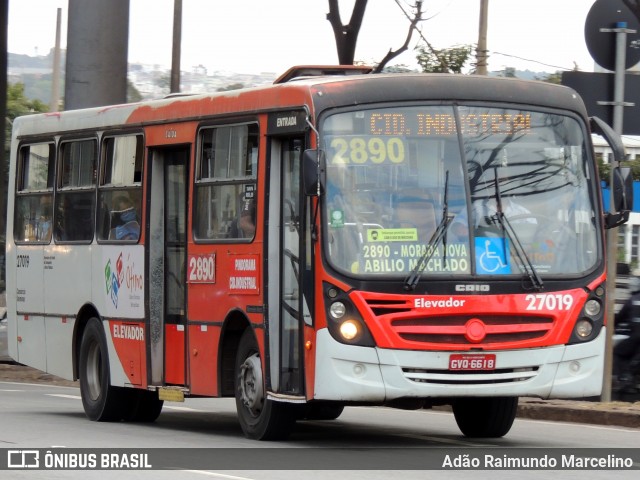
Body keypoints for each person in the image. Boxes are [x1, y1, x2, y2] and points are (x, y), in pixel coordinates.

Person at [614, 277, 640, 392]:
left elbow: (618, 319)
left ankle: (625, 378)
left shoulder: (631, 301)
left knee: (618, 352)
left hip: (636, 337)